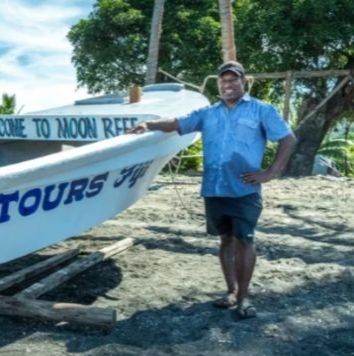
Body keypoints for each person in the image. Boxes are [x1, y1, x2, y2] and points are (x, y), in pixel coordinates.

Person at [127, 61, 296, 319]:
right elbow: (177, 122)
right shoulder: (208, 113)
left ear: (243, 82)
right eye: (223, 81)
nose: (228, 85)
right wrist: (149, 125)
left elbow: (287, 138)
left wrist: (270, 173)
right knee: (225, 239)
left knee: (245, 240)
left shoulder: (262, 110)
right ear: (219, 84)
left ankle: (243, 297)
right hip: (215, 188)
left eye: (233, 80)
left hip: (244, 189)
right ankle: (231, 291)